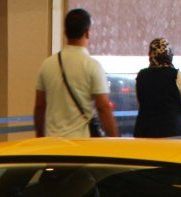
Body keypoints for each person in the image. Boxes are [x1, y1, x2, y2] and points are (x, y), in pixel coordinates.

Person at [33, 8, 118, 138]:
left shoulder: (47, 65)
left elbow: (39, 107)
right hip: (82, 145)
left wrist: (40, 137)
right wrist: (115, 140)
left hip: (53, 144)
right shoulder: (92, 66)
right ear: (87, 33)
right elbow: (103, 107)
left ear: (65, 32)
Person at [132, 37, 181, 138]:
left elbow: (142, 103)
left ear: (150, 55)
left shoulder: (141, 76)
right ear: (170, 55)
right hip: (171, 136)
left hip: (143, 136)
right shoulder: (177, 76)